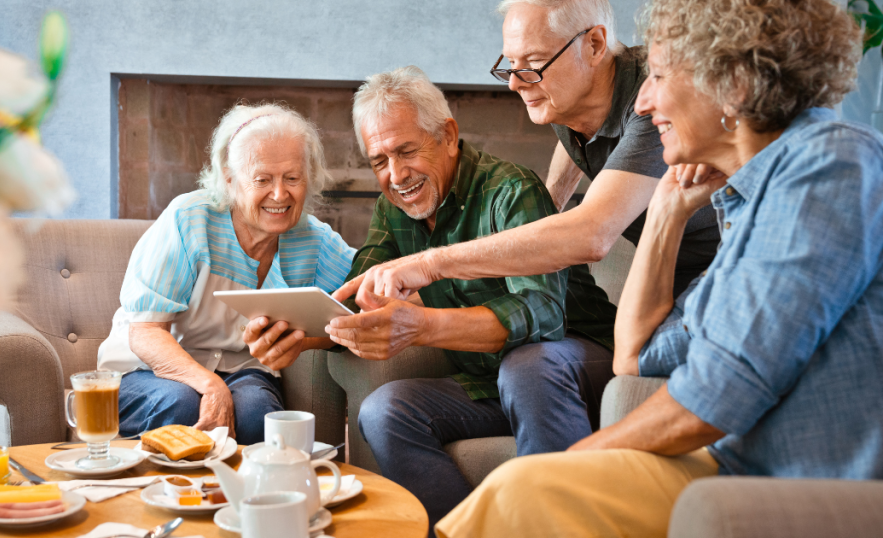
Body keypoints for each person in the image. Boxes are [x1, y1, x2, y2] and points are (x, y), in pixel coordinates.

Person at [435, 0, 882, 536]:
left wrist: (568, 461)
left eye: (661, 75)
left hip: (804, 479)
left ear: (733, 85)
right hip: (737, 466)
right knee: (520, 493)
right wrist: (667, 212)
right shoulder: (743, 204)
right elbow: (635, 356)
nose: (644, 100)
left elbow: (717, 395)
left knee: (526, 488)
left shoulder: (829, 166)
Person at [310, 65, 616, 528]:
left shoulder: (510, 191)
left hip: (576, 367)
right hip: (489, 384)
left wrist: (424, 326)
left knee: (526, 365)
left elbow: (543, 315)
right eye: (379, 161)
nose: (396, 174)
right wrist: (310, 329)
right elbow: (362, 291)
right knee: (385, 411)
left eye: (407, 151)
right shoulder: (393, 211)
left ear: (448, 136)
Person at [335, 0, 720, 305]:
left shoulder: (653, 101)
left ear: (595, 45)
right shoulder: (561, 94)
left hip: (731, 267)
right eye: (511, 64)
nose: (517, 84)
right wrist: (548, 204)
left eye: (533, 64)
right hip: (676, 275)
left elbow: (593, 234)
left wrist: (431, 264)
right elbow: (573, 138)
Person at [96, 103, 355, 445]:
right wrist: (211, 385)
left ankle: (253, 498)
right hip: (145, 370)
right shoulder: (190, 220)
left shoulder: (315, 242)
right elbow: (144, 332)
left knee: (258, 416)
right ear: (230, 180)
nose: (280, 194)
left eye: (292, 178)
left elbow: (363, 298)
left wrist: (304, 342)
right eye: (262, 179)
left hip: (243, 371)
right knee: (183, 406)